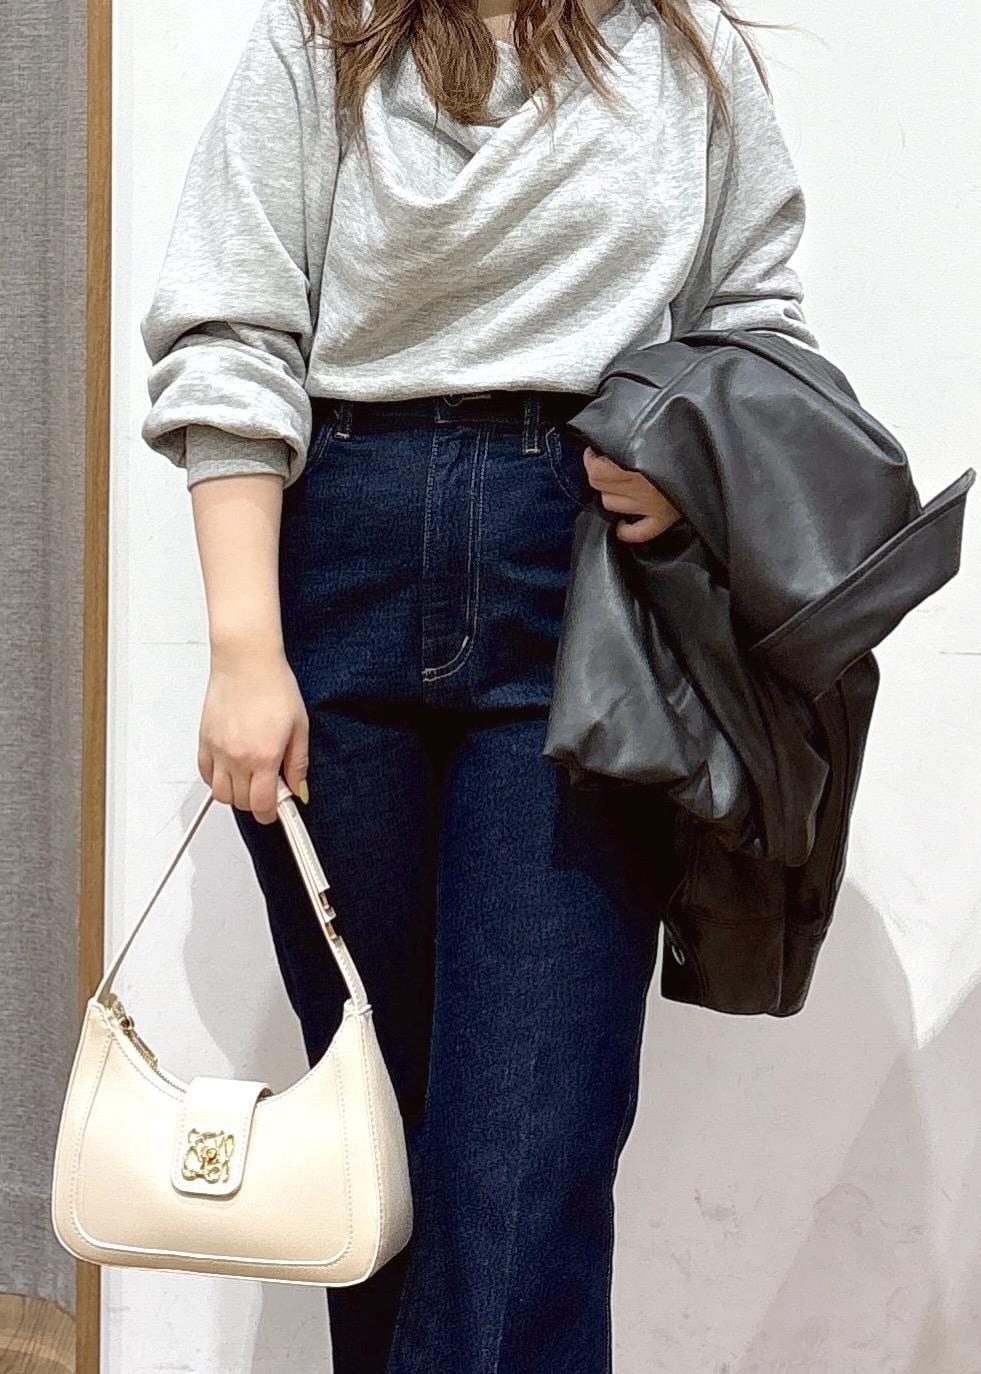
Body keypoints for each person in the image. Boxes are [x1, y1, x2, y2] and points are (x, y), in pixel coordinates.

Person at [139, 0, 819, 1367]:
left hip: (581, 593)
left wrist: (683, 459)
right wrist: (243, 651)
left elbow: (759, 326)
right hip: (335, 569)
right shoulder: (324, 37)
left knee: (525, 1161)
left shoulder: (680, 53)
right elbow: (231, 332)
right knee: (370, 1158)